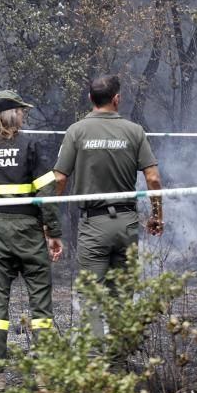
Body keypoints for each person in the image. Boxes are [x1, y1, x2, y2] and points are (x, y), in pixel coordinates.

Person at [0, 90, 63, 393]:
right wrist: (53, 232)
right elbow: (46, 194)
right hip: (29, 231)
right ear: (11, 114)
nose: (23, 115)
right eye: (21, 111)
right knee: (41, 308)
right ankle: (46, 378)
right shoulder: (30, 146)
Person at [53, 75, 163, 339]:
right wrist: (157, 215)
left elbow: (58, 178)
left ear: (91, 99)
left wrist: (51, 221)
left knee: (91, 292)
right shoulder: (135, 131)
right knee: (122, 293)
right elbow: (153, 178)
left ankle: (95, 357)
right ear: (117, 99)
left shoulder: (76, 131)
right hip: (126, 223)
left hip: (93, 223)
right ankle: (117, 361)